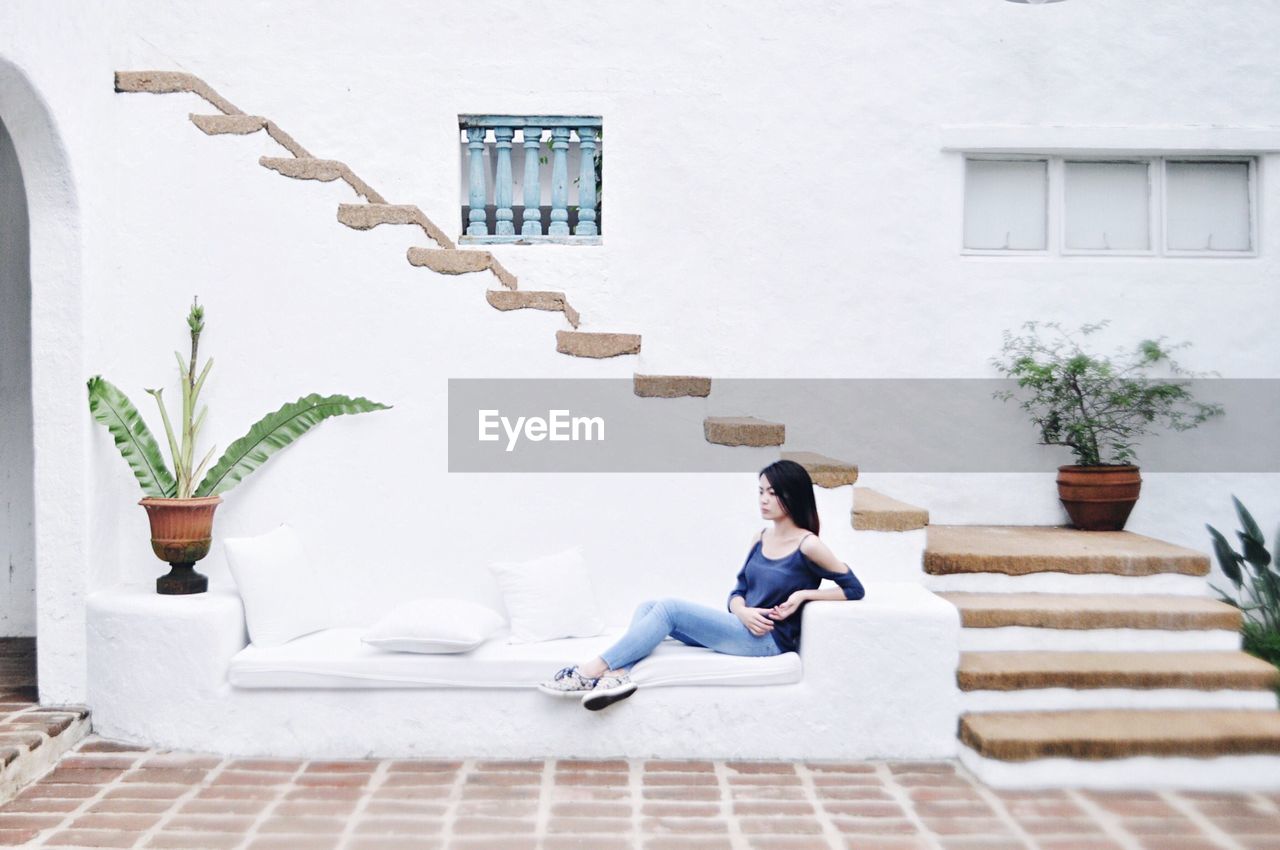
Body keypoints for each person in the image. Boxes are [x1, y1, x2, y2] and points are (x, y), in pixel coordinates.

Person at [538, 459, 866, 711]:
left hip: (768, 642)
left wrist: (804, 595)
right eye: (761, 491)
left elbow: (853, 588)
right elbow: (737, 592)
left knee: (669, 609)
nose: (764, 499)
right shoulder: (760, 537)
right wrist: (742, 610)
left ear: (792, 496)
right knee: (647, 607)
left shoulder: (808, 544)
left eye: (773, 492)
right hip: (744, 627)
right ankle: (616, 676)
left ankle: (590, 671)